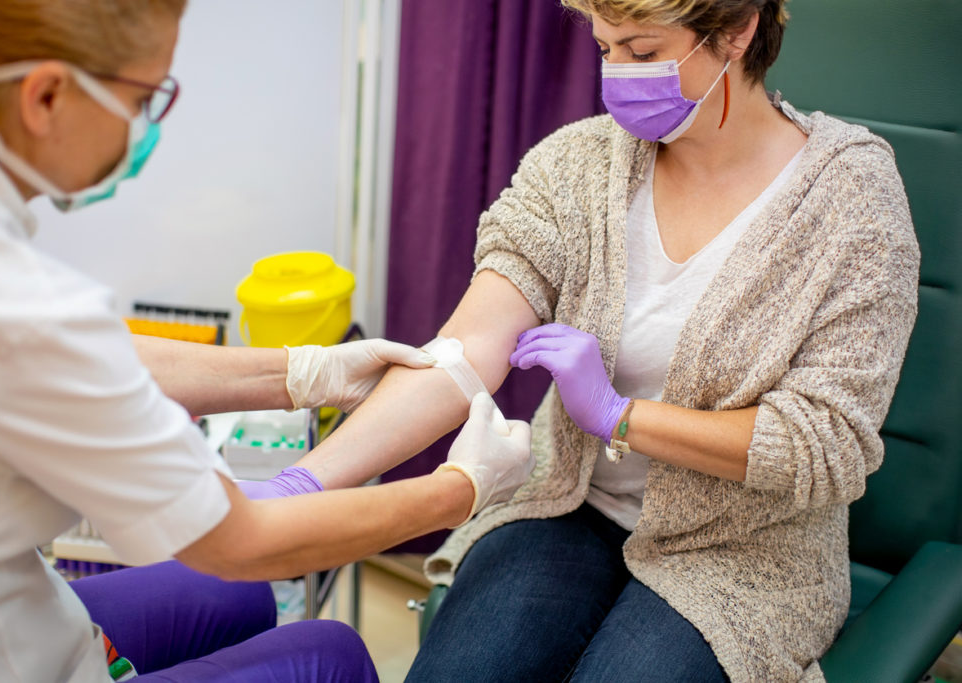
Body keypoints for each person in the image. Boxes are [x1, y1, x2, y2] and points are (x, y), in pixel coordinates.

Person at [292, 0, 921, 680]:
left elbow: (826, 443)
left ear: (738, 31)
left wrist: (625, 417)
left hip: (745, 550)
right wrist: (304, 483)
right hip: (569, 500)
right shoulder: (579, 166)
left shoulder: (853, 200)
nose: (617, 74)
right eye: (604, 48)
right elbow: (462, 352)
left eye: (643, 53)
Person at [0, 1, 535, 681]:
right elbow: (239, 542)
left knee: (245, 589)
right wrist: (459, 489)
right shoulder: (12, 303)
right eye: (145, 98)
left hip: (4, 604)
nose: (146, 126)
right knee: (328, 651)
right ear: (45, 95)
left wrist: (301, 371)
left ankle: (288, 486)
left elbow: (85, 357)